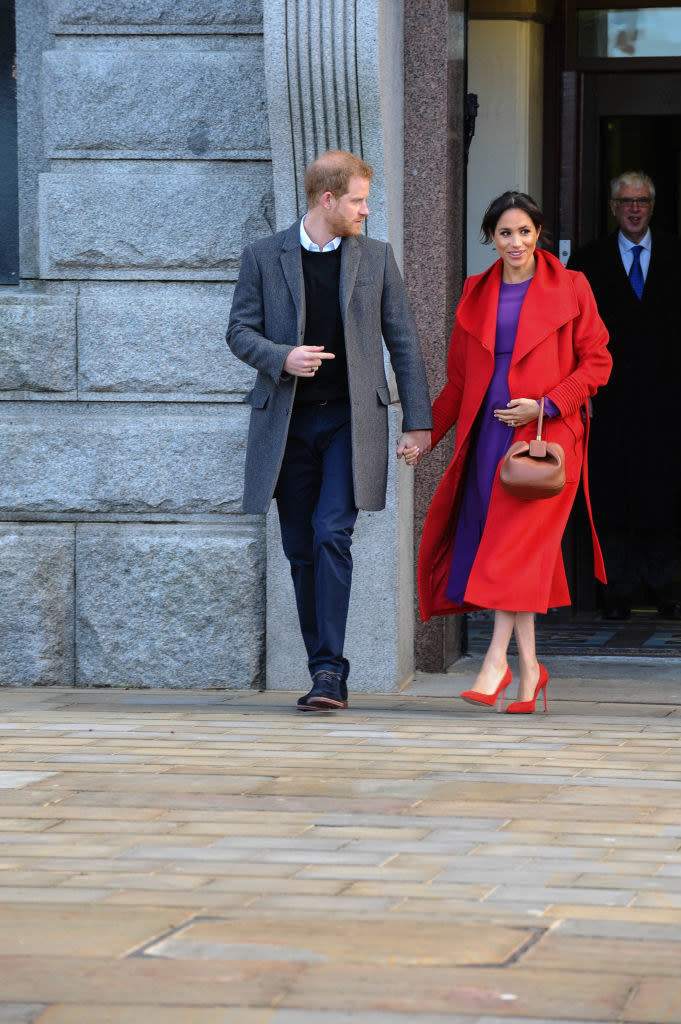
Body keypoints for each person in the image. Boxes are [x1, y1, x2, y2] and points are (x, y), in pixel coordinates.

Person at [227, 150, 432, 711]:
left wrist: (417, 421)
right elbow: (238, 331)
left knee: (330, 532)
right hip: (288, 426)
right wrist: (281, 356)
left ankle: (328, 671)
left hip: (350, 421)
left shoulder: (377, 258)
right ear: (327, 200)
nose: (366, 210)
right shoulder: (264, 256)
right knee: (299, 549)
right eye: (358, 200)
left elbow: (405, 343)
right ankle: (323, 668)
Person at [407, 192, 611, 713]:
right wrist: (425, 432)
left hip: (547, 445)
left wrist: (545, 405)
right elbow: (457, 382)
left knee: (512, 546)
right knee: (515, 551)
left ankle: (495, 660)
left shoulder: (572, 286)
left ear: (539, 233)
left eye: (524, 231)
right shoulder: (476, 292)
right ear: (490, 238)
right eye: (504, 233)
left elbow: (597, 364)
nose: (515, 242)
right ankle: (531, 671)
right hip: (490, 442)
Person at [568, 171, 681, 620]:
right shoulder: (587, 260)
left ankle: (663, 587)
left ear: (652, 207)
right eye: (626, 201)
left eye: (642, 201)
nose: (634, 208)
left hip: (667, 399)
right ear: (613, 208)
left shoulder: (676, 253)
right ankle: (615, 590)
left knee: (663, 492)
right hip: (606, 399)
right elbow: (571, 330)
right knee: (611, 494)